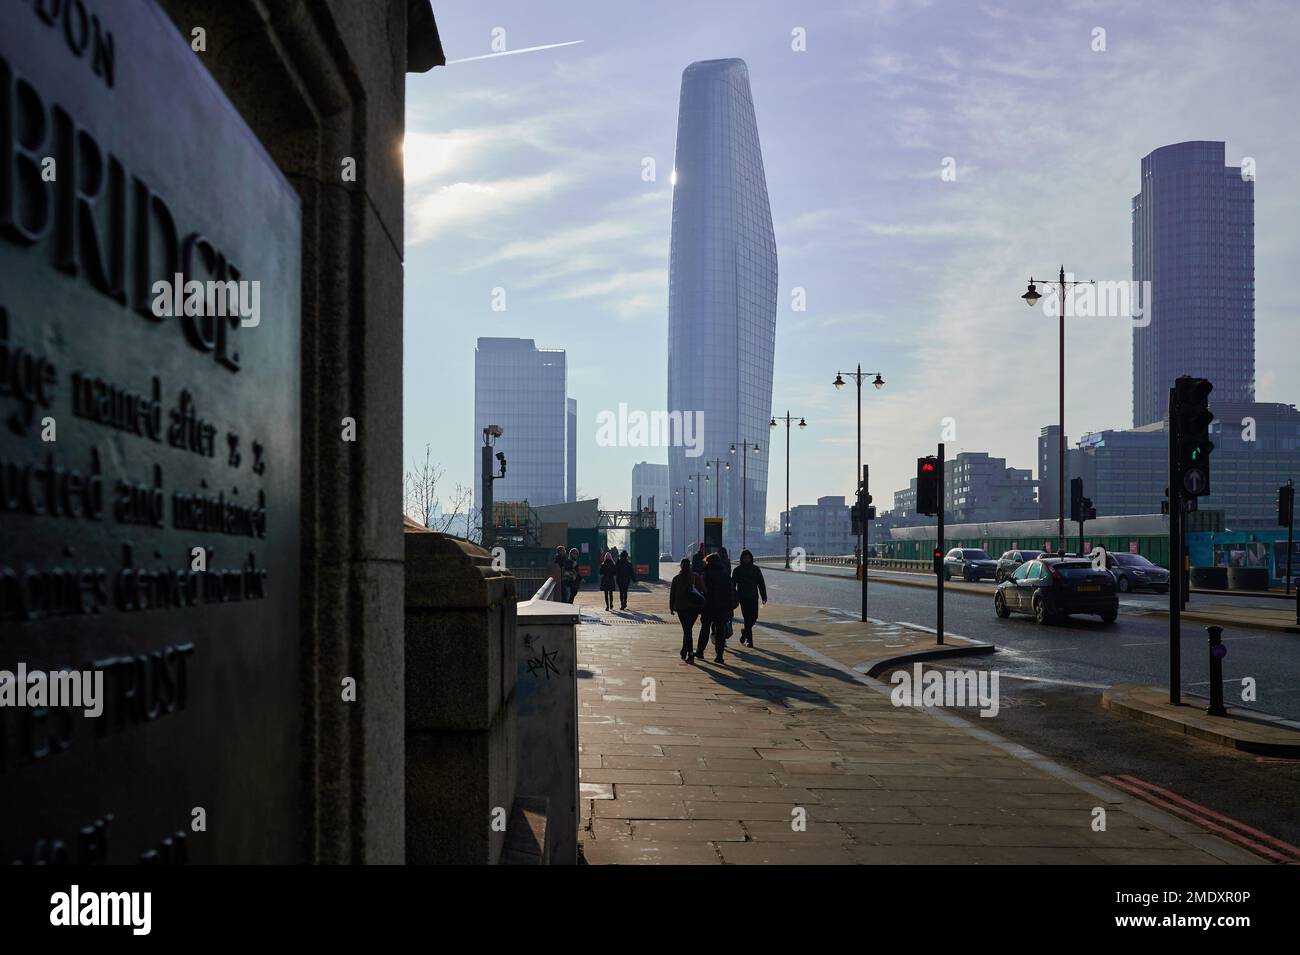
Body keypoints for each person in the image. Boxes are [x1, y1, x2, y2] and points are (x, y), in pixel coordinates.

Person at [696, 551, 735, 663]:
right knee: (720, 631)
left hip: (708, 605)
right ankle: (719, 656)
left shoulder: (706, 573)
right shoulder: (725, 574)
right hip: (722, 606)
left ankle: (700, 651)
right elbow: (730, 591)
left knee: (705, 628)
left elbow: (703, 589)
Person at [668, 558, 705, 662]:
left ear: (681, 566)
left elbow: (672, 595)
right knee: (688, 629)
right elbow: (704, 589)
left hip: (681, 607)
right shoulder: (695, 577)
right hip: (694, 608)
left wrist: (671, 607)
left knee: (687, 629)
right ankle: (685, 650)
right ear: (690, 566)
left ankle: (690, 653)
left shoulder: (676, 579)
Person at [732, 549, 767, 647]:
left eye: (748, 558)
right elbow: (733, 585)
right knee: (747, 618)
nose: (746, 559)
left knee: (754, 617)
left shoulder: (756, 569)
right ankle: (750, 641)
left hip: (754, 596)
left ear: (751, 558)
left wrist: (764, 596)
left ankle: (745, 632)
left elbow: (761, 583)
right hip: (743, 597)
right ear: (742, 559)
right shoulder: (737, 570)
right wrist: (734, 596)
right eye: (744, 558)